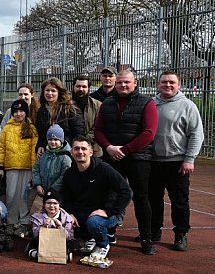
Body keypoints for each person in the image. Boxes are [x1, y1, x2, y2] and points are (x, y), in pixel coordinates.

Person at [94, 69, 158, 255]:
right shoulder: (107, 103)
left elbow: (149, 133)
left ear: (134, 83)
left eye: (126, 82)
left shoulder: (147, 103)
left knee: (141, 197)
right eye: (120, 82)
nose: (123, 85)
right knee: (111, 196)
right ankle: (109, 231)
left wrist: (125, 149)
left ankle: (146, 238)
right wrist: (108, 147)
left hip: (139, 158)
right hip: (112, 156)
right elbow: (98, 130)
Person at [150, 70, 203, 251]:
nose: (168, 85)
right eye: (164, 82)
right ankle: (153, 231)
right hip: (153, 161)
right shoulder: (151, 104)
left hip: (177, 162)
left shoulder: (188, 106)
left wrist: (189, 159)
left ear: (178, 85)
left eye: (172, 82)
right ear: (158, 84)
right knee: (153, 200)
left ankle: (181, 234)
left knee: (179, 201)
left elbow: (196, 134)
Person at [60, 136, 131, 263]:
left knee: (94, 223)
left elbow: (126, 191)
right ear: (71, 152)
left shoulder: (104, 169)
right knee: (64, 220)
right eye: (76, 149)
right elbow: (67, 197)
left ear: (91, 152)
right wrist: (69, 213)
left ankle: (103, 244)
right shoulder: (69, 173)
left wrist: (109, 211)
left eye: (83, 149)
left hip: (105, 214)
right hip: (83, 212)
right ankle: (90, 238)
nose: (80, 152)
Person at [0, 99, 38, 238]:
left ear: (26, 113)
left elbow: (34, 149)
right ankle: (11, 221)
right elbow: (1, 148)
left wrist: (34, 169)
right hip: (11, 166)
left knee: (24, 195)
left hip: (27, 167)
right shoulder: (7, 128)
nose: (19, 114)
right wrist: (1, 165)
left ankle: (24, 222)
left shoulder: (31, 128)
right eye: (16, 112)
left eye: (21, 111)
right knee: (11, 194)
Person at [34, 78, 84, 156]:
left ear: (59, 92)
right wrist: (40, 146)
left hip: (67, 152)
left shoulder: (70, 109)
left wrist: (73, 149)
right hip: (49, 153)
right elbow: (41, 134)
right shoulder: (41, 111)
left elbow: (78, 132)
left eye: (53, 91)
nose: (50, 93)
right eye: (47, 90)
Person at [26, 191, 78, 261]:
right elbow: (35, 234)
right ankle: (36, 254)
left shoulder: (67, 217)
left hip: (60, 243)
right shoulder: (37, 217)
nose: (52, 206)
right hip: (44, 242)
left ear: (59, 205)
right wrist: (43, 227)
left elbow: (70, 236)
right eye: (49, 203)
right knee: (34, 241)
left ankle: (65, 254)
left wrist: (60, 228)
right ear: (44, 205)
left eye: (55, 203)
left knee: (73, 243)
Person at [32, 125, 72, 197]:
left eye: (56, 140)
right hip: (42, 192)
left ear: (61, 140)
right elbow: (35, 169)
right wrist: (37, 184)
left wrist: (52, 189)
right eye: (50, 139)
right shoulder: (44, 155)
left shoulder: (65, 157)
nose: (53, 142)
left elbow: (64, 176)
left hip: (57, 194)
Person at [72, 74, 102, 157]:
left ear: (88, 88)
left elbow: (99, 126)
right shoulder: (65, 106)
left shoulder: (97, 105)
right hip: (71, 149)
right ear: (73, 87)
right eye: (78, 86)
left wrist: (84, 141)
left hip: (93, 149)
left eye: (84, 86)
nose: (81, 89)